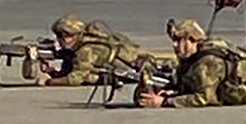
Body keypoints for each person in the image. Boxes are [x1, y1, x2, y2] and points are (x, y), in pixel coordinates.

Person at [24, 14, 156, 87]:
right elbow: (72, 69)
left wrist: (48, 81)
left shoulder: (86, 50)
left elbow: (75, 79)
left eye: (67, 36)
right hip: (125, 69)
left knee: (89, 77)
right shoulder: (79, 48)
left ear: (78, 35)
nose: (62, 40)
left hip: (135, 69)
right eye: (59, 36)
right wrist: (53, 72)